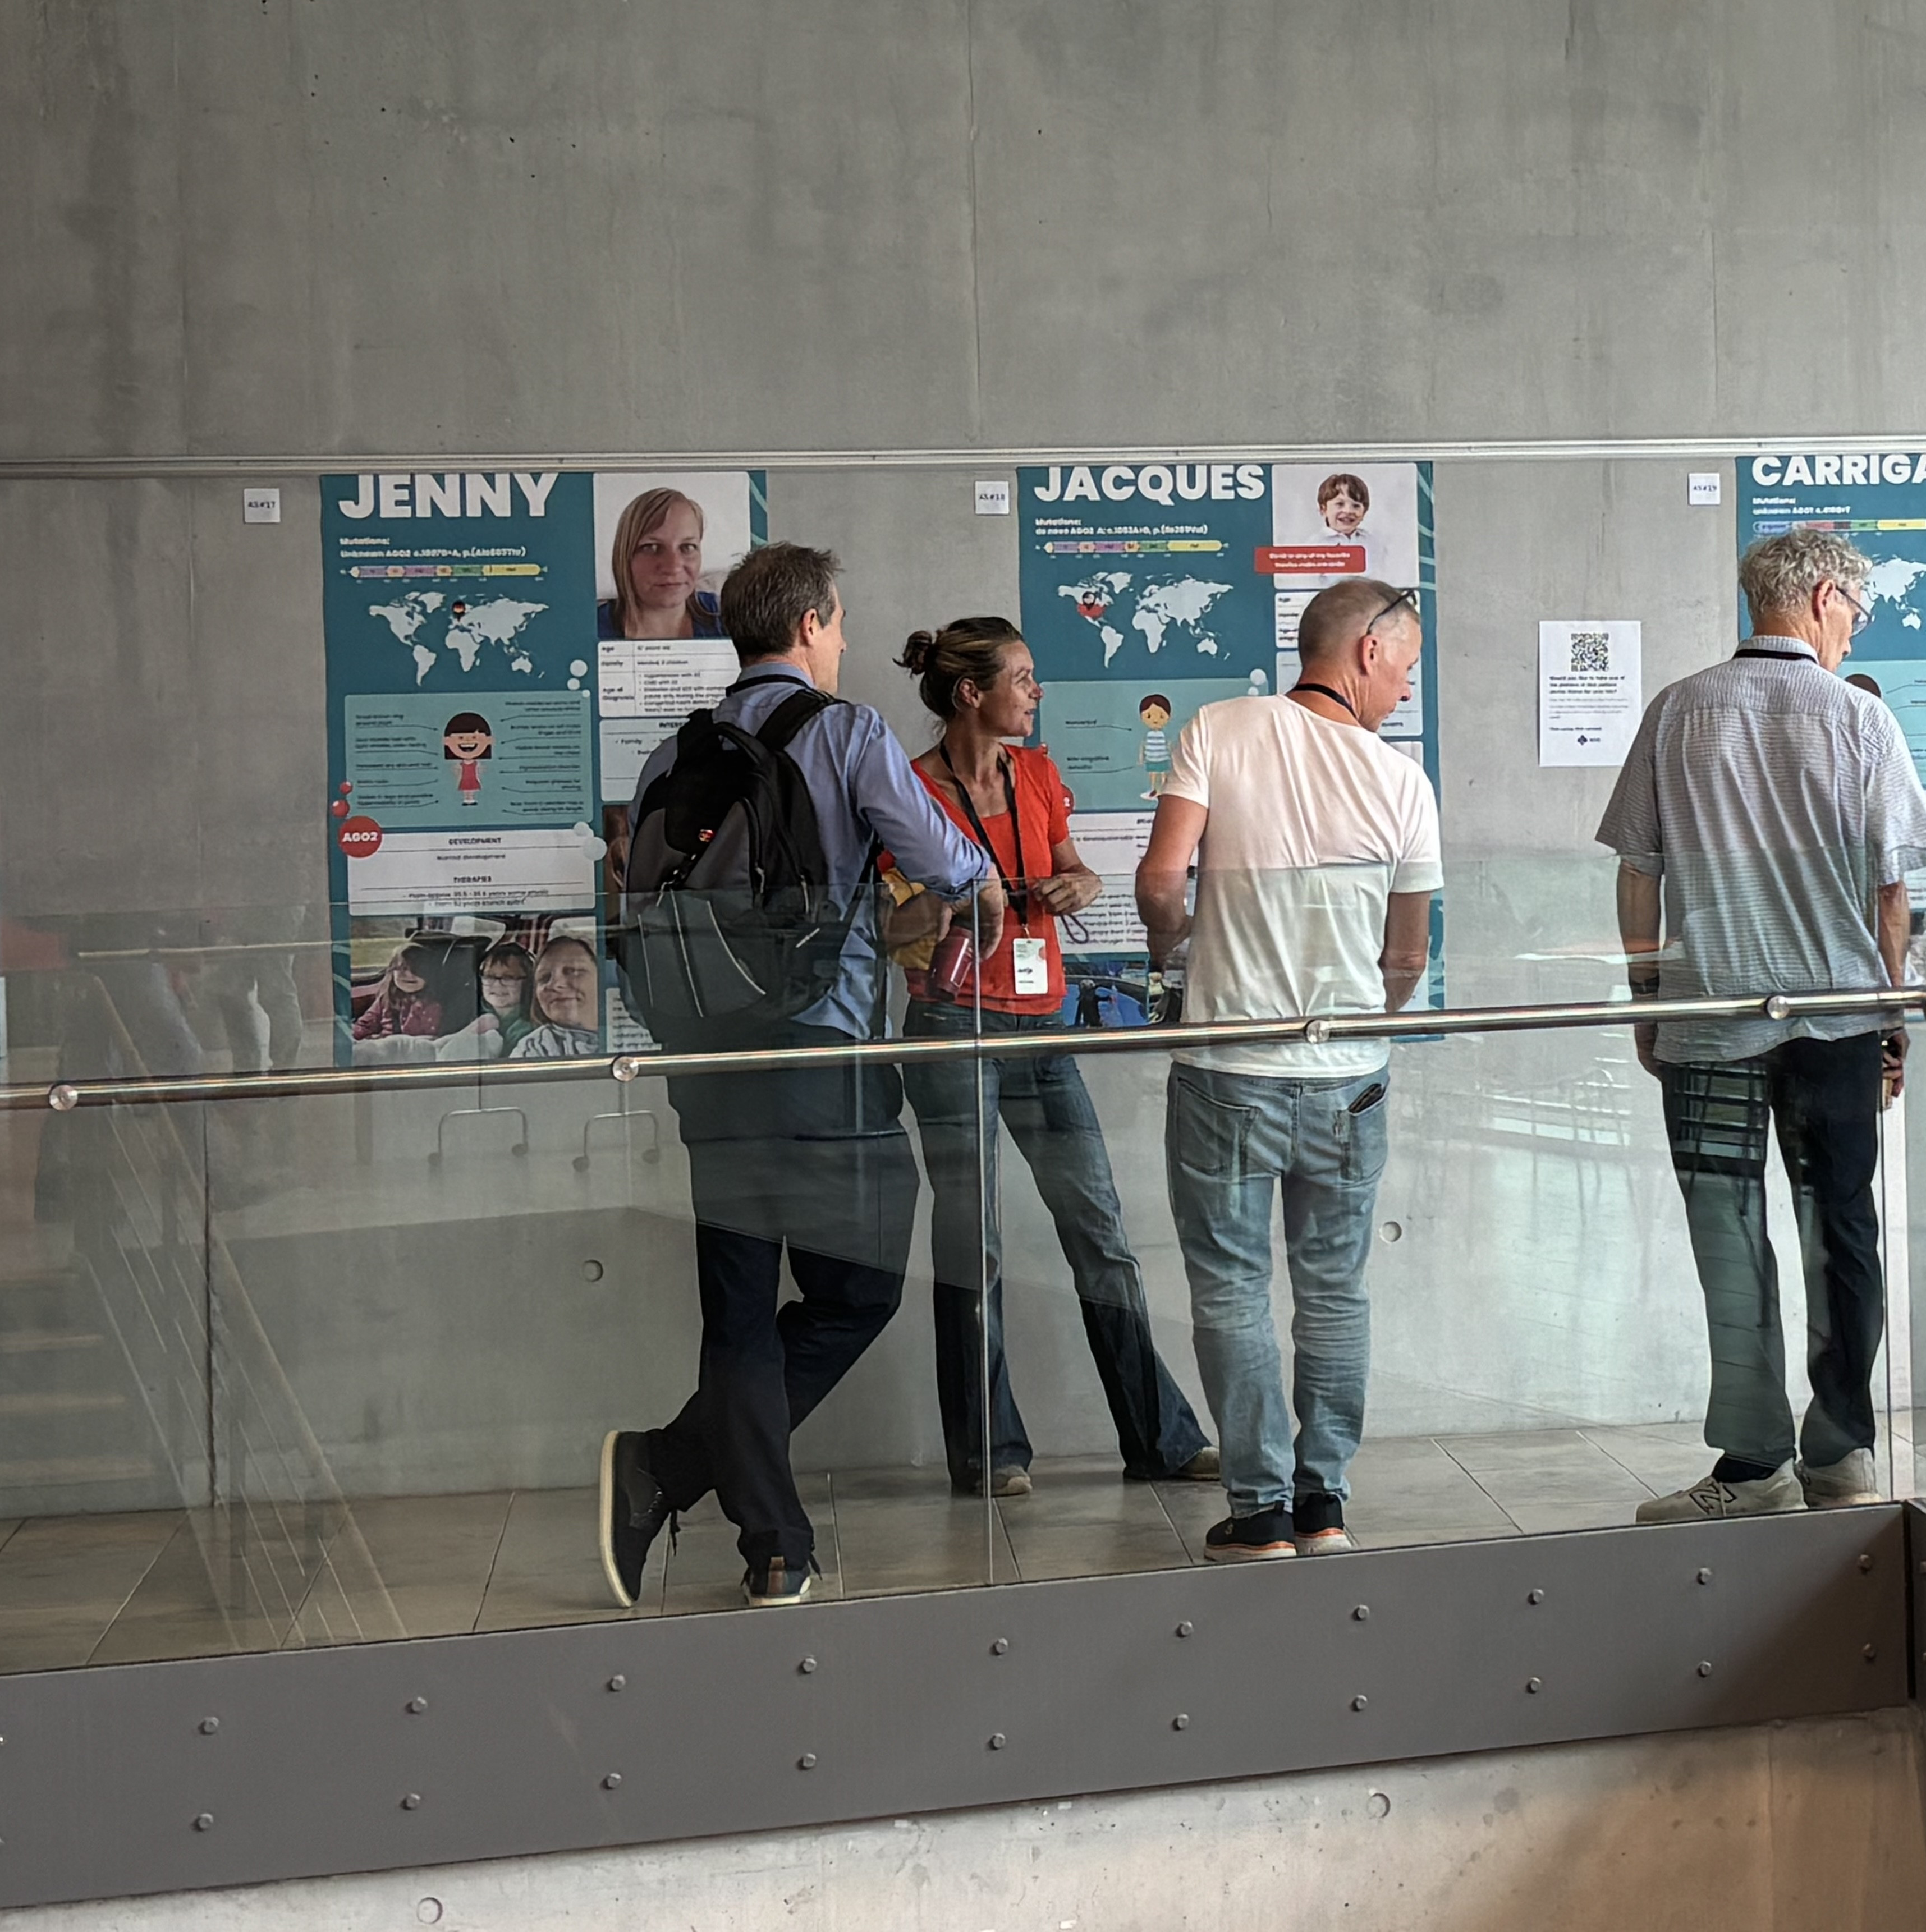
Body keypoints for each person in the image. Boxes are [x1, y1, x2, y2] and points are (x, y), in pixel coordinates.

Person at [598, 543, 992, 1610]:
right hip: (822, 1055)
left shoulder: (668, 755)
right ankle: (674, 1468)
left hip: (704, 1064)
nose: (846, 638)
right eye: (841, 620)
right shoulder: (850, 730)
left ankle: (771, 1545)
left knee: (737, 1308)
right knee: (857, 1289)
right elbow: (953, 862)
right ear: (812, 623)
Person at [1597, 525, 1926, 1524]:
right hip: (1833, 1021)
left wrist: (1644, 996)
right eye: (1856, 611)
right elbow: (1889, 892)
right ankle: (1840, 1451)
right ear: (1825, 595)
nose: (1853, 629)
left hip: (1706, 1015)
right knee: (1842, 1230)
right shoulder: (1859, 720)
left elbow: (1635, 870)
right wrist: (1888, 1008)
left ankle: (1752, 1463)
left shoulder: (1675, 710)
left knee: (1727, 1230)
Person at [1135, 577, 1439, 1562]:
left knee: (1229, 1283)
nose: (1403, 686)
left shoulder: (1217, 728)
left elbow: (1158, 880)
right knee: (1334, 1286)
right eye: (1403, 664)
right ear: (1364, 651)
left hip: (1227, 1061)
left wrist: (1176, 951)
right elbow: (1407, 956)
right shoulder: (1401, 782)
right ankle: (1324, 1502)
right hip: (1348, 1072)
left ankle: (1258, 1508)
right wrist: (1368, 1017)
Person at [884, 617, 1214, 1498]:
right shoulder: (912, 790)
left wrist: (1082, 883)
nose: (1036, 693)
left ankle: (1159, 1439)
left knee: (1101, 1234)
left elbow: (1077, 869)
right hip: (955, 1024)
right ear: (971, 693)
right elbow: (889, 930)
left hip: (1043, 1024)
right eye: (1023, 678)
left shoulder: (1036, 772)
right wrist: (956, 907)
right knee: (975, 1244)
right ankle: (990, 1452)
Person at [597, 487, 727, 641]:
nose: (674, 567)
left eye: (687, 547)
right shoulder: (589, 630)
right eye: (652, 548)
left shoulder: (728, 618)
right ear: (625, 557)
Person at [507, 934, 606, 1060]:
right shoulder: (533, 1048)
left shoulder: (630, 1033)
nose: (556, 985)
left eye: (573, 971)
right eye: (544, 978)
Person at [352, 942, 446, 1040]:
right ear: (392, 972)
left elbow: (427, 1040)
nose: (409, 975)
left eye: (417, 970)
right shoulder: (386, 998)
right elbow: (366, 1025)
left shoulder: (432, 1005)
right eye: (401, 969)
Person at [470, 941, 536, 1050]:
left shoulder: (533, 1026)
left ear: (528, 982)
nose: (497, 984)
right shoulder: (470, 1014)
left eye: (508, 978)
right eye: (490, 976)